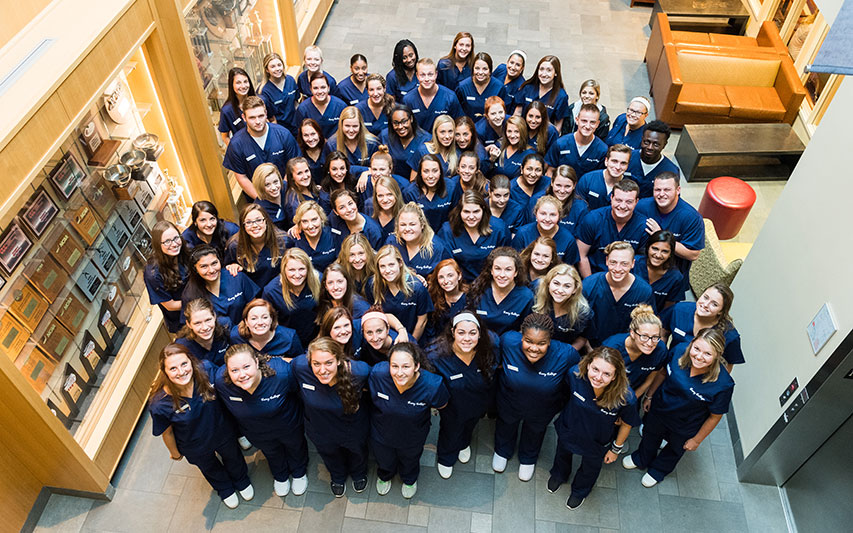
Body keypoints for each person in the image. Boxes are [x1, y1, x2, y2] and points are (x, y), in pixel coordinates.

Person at [622, 328, 734, 488]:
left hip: (685, 425)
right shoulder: (679, 351)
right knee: (649, 435)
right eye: (697, 348)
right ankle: (642, 458)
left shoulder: (723, 384)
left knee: (675, 449)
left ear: (718, 355)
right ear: (692, 343)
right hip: (659, 410)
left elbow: (715, 416)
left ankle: (658, 470)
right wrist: (649, 395)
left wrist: (697, 440)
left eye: (708, 354)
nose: (699, 356)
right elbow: (662, 374)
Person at [148, 344, 252, 509]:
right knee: (209, 467)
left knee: (233, 456)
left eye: (184, 364)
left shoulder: (207, 370)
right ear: (164, 371)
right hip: (194, 445)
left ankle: (241, 479)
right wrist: (175, 454)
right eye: (173, 368)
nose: (181, 372)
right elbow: (166, 432)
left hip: (222, 430)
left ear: (191, 361)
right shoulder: (159, 403)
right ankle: (224, 487)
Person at [548, 346, 639, 509]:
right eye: (595, 369)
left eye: (606, 374)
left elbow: (627, 424)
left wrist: (615, 449)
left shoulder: (626, 398)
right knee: (562, 452)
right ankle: (559, 474)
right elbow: (564, 395)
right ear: (588, 364)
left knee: (591, 467)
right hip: (570, 427)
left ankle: (579, 491)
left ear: (615, 376)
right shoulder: (574, 375)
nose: (598, 377)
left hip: (598, 439)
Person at [215, 344, 310, 497]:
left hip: (288, 426)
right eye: (234, 370)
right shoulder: (222, 384)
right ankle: (280, 475)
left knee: (296, 448)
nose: (242, 375)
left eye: (246, 366)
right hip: (257, 432)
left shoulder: (281, 374)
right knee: (271, 453)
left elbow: (297, 391)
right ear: (227, 370)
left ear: (257, 362)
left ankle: (299, 472)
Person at [493, 313, 580, 481]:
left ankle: (528, 457)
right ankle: (502, 450)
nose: (534, 348)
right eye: (528, 341)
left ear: (550, 341)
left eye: (541, 343)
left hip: (543, 408)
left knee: (535, 431)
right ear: (521, 336)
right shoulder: (508, 341)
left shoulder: (566, 354)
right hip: (509, 402)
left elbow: (575, 378)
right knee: (505, 425)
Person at [368, 342, 449, 498]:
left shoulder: (432, 385)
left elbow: (442, 404)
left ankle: (409, 479)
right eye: (394, 366)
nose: (399, 373)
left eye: (406, 367)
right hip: (381, 433)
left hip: (413, 436)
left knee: (410, 460)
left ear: (417, 366)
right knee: (384, 460)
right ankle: (385, 476)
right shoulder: (378, 374)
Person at [293, 338, 371, 497]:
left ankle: (358, 473)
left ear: (339, 361)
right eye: (316, 364)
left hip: (351, 427)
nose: (322, 370)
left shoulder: (359, 372)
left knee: (357, 453)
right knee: (329, 454)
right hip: (319, 429)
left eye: (328, 363)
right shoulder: (300, 368)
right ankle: (338, 475)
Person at [427, 311, 496, 478]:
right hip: (452, 408)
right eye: (461, 332)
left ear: (480, 334)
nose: (467, 338)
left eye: (472, 333)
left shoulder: (488, 351)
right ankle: (446, 456)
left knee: (469, 427)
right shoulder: (437, 356)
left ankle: (464, 443)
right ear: (452, 332)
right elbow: (429, 384)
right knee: (450, 431)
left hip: (477, 404)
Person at [636, 172, 704, 292]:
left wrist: (661, 235)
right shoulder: (642, 206)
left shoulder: (691, 217)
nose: (661, 194)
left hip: (672, 274)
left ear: (678, 190)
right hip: (642, 269)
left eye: (667, 190)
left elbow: (693, 254)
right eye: (657, 190)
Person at [222, 96, 299, 200]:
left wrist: (282, 192)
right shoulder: (236, 144)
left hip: (286, 193)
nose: (258, 121)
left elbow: (293, 166)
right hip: (257, 197)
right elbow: (241, 177)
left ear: (266, 114)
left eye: (261, 116)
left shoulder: (283, 135)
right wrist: (261, 200)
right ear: (244, 118)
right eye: (252, 117)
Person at [582, 241, 654, 344]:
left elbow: (645, 326)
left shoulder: (643, 291)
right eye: (613, 262)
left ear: (633, 264)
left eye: (624, 264)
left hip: (626, 348)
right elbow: (580, 323)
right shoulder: (589, 285)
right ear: (606, 261)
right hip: (591, 347)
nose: (617, 269)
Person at [660, 283, 745, 370]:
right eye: (705, 297)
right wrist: (661, 359)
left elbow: (729, 364)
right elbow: (663, 332)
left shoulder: (730, 335)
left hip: (699, 376)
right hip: (671, 365)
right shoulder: (679, 310)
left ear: (721, 311)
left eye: (714, 304)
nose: (705, 305)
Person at [576, 179, 648, 277]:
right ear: (611, 198)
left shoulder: (643, 226)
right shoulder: (593, 219)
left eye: (629, 202)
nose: (622, 206)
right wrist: (591, 284)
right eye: (618, 200)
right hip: (596, 275)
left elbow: (642, 263)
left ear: (636, 202)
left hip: (627, 280)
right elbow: (581, 255)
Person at [438, 190, 511, 281]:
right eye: (466, 212)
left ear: (483, 211)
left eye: (476, 212)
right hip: (459, 285)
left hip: (492, 283)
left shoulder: (499, 228)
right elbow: (445, 265)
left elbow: (508, 259)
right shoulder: (447, 231)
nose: (471, 217)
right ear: (459, 212)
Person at [181, 245, 260, 329]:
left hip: (247, 330)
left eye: (214, 263)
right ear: (195, 269)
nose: (211, 270)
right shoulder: (190, 294)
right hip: (215, 338)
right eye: (204, 266)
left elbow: (255, 306)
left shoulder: (236, 277)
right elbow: (190, 325)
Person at [601, 304, 668, 398]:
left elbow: (651, 378)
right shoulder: (612, 347)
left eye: (655, 337)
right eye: (644, 336)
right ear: (632, 333)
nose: (650, 343)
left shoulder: (660, 350)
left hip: (632, 394)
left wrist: (632, 400)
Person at [369, 245, 433, 341]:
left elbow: (422, 321)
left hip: (413, 337)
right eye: (382, 266)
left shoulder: (416, 288)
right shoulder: (373, 285)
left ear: (400, 263)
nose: (387, 270)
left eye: (391, 265)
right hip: (384, 340)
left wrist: (410, 344)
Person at [262, 248, 321, 348]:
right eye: (292, 270)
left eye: (302, 269)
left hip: (317, 339)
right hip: (288, 343)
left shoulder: (318, 280)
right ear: (284, 270)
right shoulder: (271, 291)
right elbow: (270, 323)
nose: (297, 275)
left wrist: (321, 337)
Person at [468, 247, 534, 335]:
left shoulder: (526, 297)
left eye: (508, 269)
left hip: (507, 344)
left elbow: (526, 330)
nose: (502, 275)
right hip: (481, 342)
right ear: (491, 270)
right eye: (497, 269)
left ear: (516, 272)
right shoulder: (479, 289)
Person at [533, 264, 594, 350]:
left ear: (575, 289)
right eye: (556, 283)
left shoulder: (583, 312)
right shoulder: (536, 294)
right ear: (548, 283)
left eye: (567, 286)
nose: (560, 290)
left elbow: (583, 338)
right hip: (534, 347)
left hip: (562, 350)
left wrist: (567, 354)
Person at [224, 203, 286, 288]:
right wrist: (233, 266)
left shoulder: (284, 241)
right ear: (243, 226)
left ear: (266, 221)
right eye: (248, 222)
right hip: (253, 296)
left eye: (258, 220)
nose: (254, 225)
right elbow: (228, 270)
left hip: (278, 291)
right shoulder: (235, 246)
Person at [385, 201, 451, 277]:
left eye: (412, 224)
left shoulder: (438, 248)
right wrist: (410, 277)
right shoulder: (392, 242)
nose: (407, 229)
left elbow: (448, 277)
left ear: (422, 225)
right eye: (403, 225)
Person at [145, 221, 188, 333]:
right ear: (158, 245)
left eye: (176, 238)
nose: (174, 244)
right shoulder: (153, 274)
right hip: (182, 323)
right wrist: (200, 299)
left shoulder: (185, 251)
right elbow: (171, 305)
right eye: (167, 241)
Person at [545, 103, 607, 179]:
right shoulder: (561, 144)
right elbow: (550, 171)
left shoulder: (602, 150)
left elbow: (599, 178)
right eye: (584, 121)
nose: (587, 126)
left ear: (597, 124)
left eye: (592, 122)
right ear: (577, 120)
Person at [512, 195, 580, 265]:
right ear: (536, 213)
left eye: (553, 215)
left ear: (559, 216)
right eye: (543, 214)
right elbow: (515, 262)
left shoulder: (568, 239)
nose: (547, 219)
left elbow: (569, 268)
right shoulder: (523, 233)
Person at [229, 299, 303, 361]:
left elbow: (299, 364)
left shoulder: (289, 337)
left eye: (265, 317)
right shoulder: (236, 337)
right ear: (246, 322)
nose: (260, 323)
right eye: (254, 318)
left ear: (271, 319)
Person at [402, 58, 463, 132]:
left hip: (444, 141)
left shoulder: (450, 97)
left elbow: (459, 124)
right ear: (417, 76)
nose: (427, 79)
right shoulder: (408, 100)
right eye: (422, 75)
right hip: (418, 142)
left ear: (436, 74)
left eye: (430, 74)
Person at [403, 153, 460, 231]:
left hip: (446, 234)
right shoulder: (410, 193)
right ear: (420, 173)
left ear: (440, 172)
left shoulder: (451, 187)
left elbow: (456, 215)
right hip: (420, 235)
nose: (431, 176)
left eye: (435, 171)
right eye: (426, 171)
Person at [625, 120, 679, 198]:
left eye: (656, 144)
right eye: (646, 142)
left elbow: (671, 199)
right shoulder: (627, 158)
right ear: (642, 139)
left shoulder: (671, 171)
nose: (650, 147)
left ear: (664, 144)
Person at [512, 56, 569, 132]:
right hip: (523, 133)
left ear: (556, 73)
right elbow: (517, 113)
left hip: (543, 137)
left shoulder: (561, 96)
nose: (544, 74)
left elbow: (557, 127)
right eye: (541, 69)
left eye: (549, 70)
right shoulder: (527, 88)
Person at [633, 230, 684, 310]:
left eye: (665, 251)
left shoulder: (675, 277)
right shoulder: (634, 263)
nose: (658, 255)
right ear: (648, 247)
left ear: (670, 254)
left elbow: (668, 309)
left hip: (653, 319)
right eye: (655, 249)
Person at [286, 201, 341, 272]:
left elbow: (341, 261)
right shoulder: (294, 239)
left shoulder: (333, 235)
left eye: (314, 220)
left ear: (321, 219)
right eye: (305, 221)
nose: (311, 226)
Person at [176, 298, 231, 366]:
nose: (205, 327)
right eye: (197, 323)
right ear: (189, 324)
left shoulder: (225, 326)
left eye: (208, 320)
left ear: (214, 316)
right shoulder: (183, 346)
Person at [218, 67, 267, 144]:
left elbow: (272, 120)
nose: (243, 86)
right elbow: (225, 136)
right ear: (231, 85)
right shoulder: (227, 111)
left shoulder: (262, 100)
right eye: (238, 83)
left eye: (245, 81)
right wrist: (236, 151)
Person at [576, 144, 632, 211]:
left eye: (623, 163)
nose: (618, 167)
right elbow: (578, 208)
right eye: (614, 161)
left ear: (628, 165)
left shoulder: (631, 186)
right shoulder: (587, 180)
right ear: (606, 161)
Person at [381, 104, 430, 178]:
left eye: (404, 122)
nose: (400, 127)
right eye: (396, 123)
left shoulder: (425, 139)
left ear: (411, 119)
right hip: (391, 182)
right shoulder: (385, 136)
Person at [425, 259, 469, 340]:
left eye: (450, 275)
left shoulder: (470, 298)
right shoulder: (434, 299)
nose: (446, 281)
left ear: (459, 276)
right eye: (441, 277)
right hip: (440, 345)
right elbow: (431, 330)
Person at [296, 72, 347, 139]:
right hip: (313, 146)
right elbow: (300, 134)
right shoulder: (303, 109)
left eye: (323, 87)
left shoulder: (340, 106)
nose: (320, 91)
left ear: (328, 88)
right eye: (315, 88)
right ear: (310, 89)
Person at [456, 52, 506, 119]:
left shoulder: (499, 87)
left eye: (485, 69)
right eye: (477, 68)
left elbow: (504, 112)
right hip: (468, 127)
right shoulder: (462, 87)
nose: (480, 72)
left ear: (490, 70)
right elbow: (457, 111)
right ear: (472, 69)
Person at [260, 52, 299, 135]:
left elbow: (296, 102)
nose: (277, 69)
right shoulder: (265, 91)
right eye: (273, 67)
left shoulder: (290, 80)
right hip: (282, 130)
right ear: (267, 70)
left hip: (296, 125)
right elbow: (270, 118)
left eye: (279, 65)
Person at [408, 114, 457, 179]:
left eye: (450, 132)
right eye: (442, 132)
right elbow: (413, 180)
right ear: (436, 133)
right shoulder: (423, 151)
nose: (447, 136)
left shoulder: (457, 153)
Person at [284, 157, 331, 222]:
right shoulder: (294, 202)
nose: (305, 176)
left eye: (306, 171)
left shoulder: (314, 189)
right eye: (299, 173)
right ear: (292, 177)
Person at [547, 164, 588, 232]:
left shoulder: (581, 208)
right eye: (558, 185)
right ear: (552, 182)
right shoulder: (537, 200)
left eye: (567, 186)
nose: (562, 191)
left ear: (574, 185)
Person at [509, 153, 550, 217]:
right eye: (529, 169)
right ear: (522, 169)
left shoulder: (548, 183)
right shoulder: (511, 188)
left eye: (538, 170)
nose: (533, 174)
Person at [251, 163, 288, 230]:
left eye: (275, 182)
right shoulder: (260, 209)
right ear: (261, 187)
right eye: (267, 185)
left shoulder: (286, 188)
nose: (274, 188)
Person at [338, 233, 376, 297]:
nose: (357, 259)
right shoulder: (339, 269)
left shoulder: (378, 264)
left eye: (361, 253)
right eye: (352, 255)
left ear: (368, 252)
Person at [297, 118, 332, 183]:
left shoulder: (328, 148)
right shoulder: (299, 153)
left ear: (318, 133)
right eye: (306, 135)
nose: (310, 139)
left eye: (313, 134)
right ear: (301, 137)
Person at [371, 176, 405, 241]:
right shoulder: (369, 209)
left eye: (389, 194)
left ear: (396, 194)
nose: (385, 200)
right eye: (380, 195)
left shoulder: (405, 215)